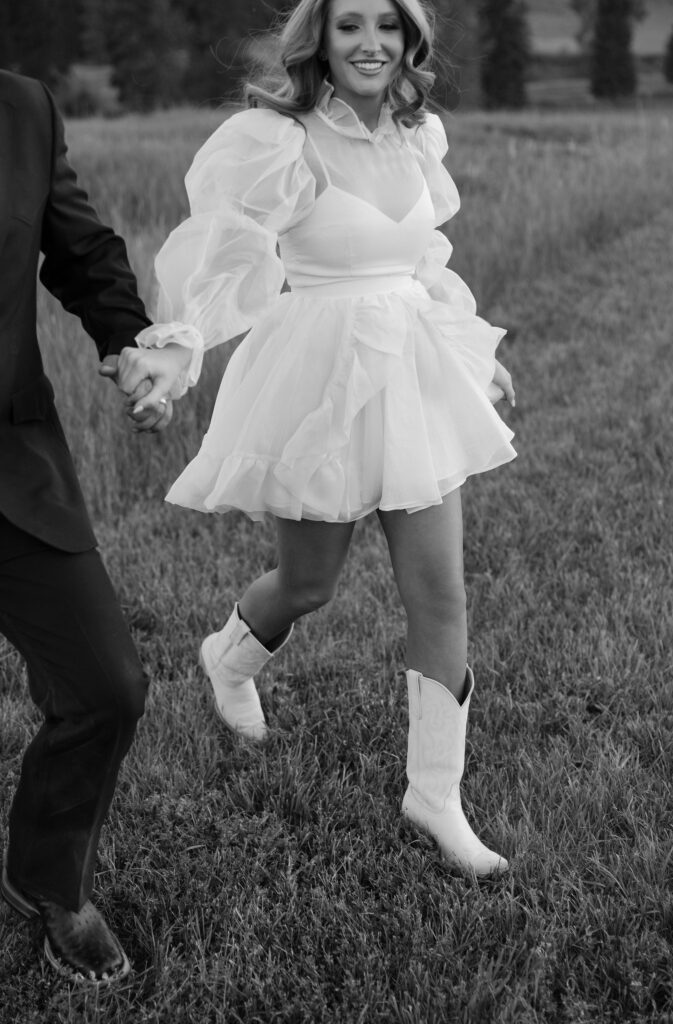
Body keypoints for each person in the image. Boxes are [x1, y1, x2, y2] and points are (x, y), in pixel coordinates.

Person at [117, 0, 517, 877]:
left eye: (386, 24)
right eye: (349, 26)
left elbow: (423, 262)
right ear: (320, 42)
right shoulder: (276, 140)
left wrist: (469, 352)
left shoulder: (419, 136)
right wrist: (176, 354)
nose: (369, 42)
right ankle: (227, 657)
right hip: (319, 374)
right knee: (309, 583)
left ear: (409, 38)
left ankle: (435, 795)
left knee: (440, 593)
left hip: (410, 368)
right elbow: (223, 259)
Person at [0, 69, 171, 983]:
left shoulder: (22, 109)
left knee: (107, 685)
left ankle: (46, 881)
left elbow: (80, 251)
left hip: (8, 461)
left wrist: (130, 341)